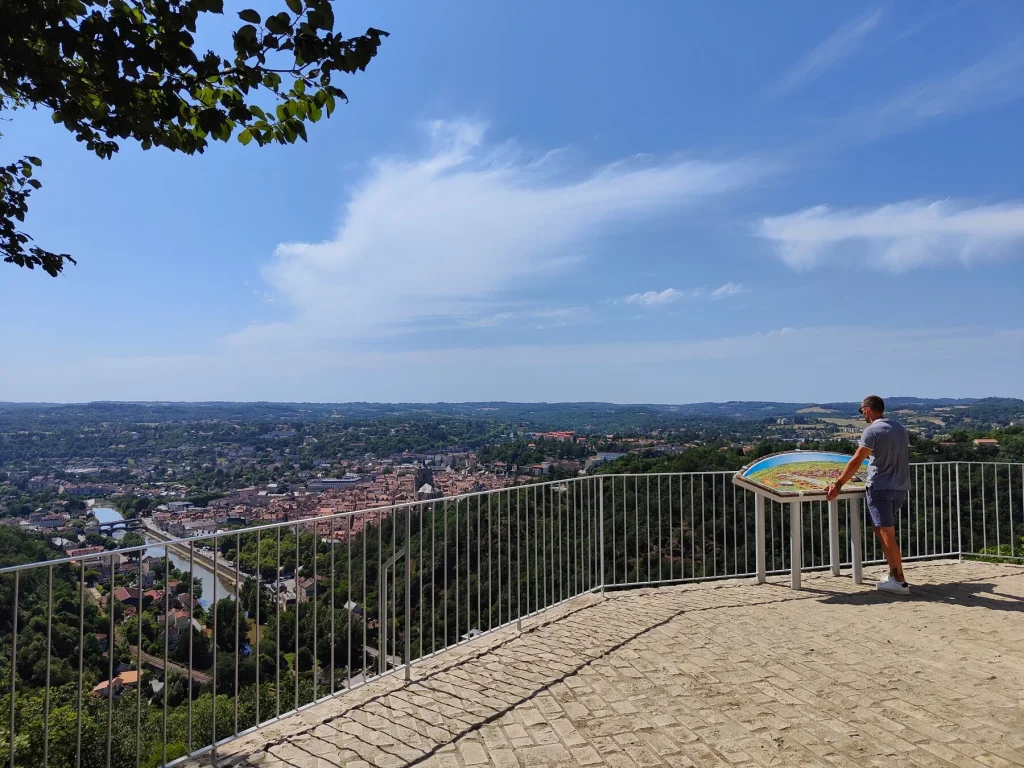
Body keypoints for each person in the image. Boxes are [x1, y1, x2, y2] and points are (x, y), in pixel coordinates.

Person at [826, 395, 910, 595]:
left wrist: (838, 484)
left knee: (885, 532)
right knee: (882, 529)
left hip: (880, 487)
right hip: (900, 486)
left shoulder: (872, 431)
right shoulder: (900, 428)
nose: (862, 414)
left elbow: (856, 461)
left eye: (861, 411)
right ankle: (893, 575)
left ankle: (899, 580)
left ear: (867, 409)